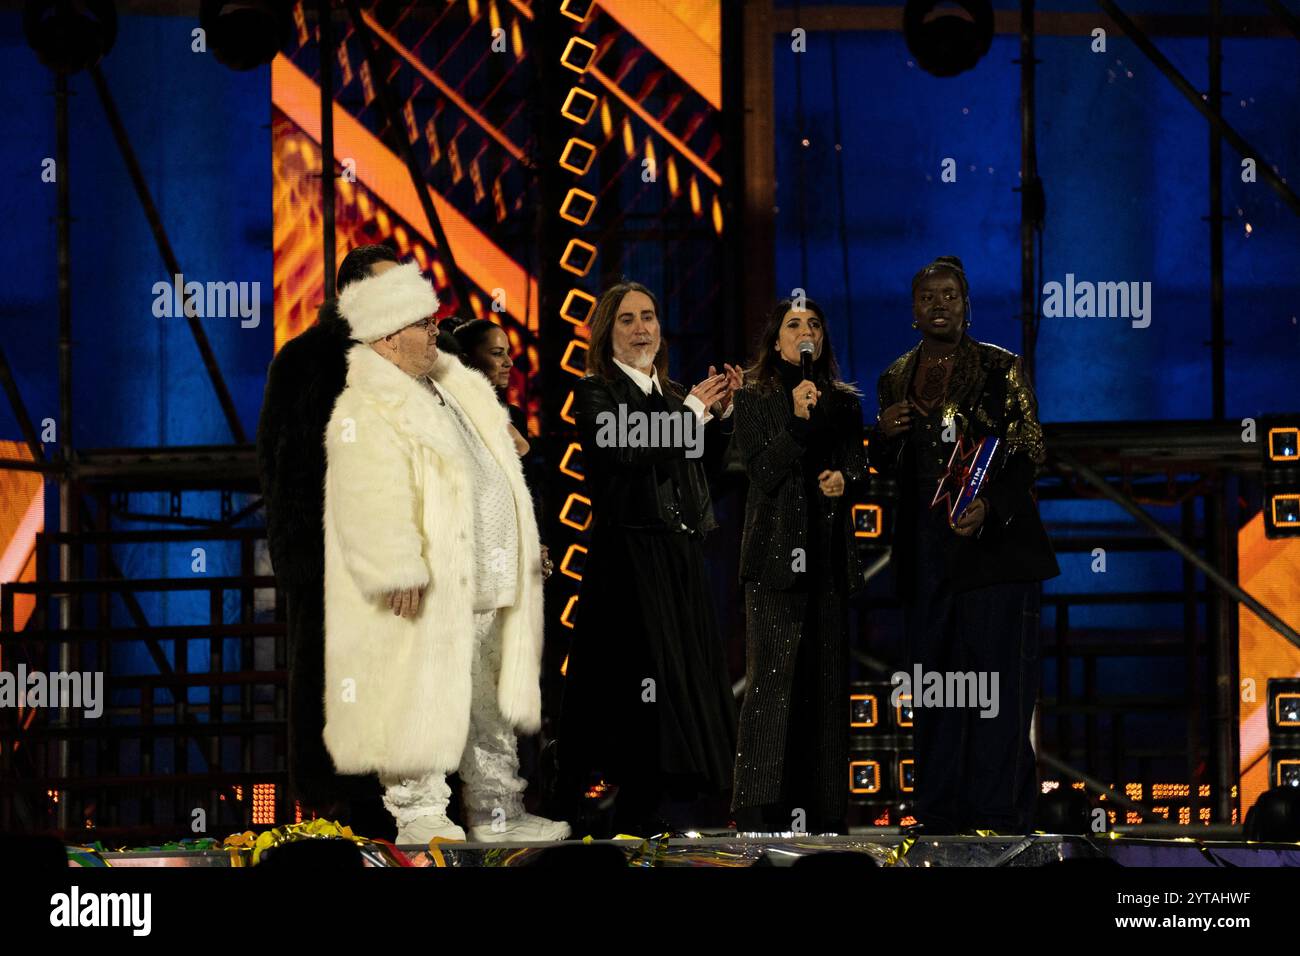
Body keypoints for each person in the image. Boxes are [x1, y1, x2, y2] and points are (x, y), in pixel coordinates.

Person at [321, 259, 569, 844]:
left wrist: (522, 544)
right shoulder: (368, 404)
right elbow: (366, 491)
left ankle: (497, 810)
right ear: (388, 336)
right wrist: (396, 565)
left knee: (487, 701)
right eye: (423, 323)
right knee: (417, 689)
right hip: (428, 583)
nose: (437, 331)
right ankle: (418, 811)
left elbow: (498, 470)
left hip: (485, 576)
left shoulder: (451, 387)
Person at [868, 255, 1059, 834]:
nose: (939, 305)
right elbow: (889, 469)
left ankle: (999, 821)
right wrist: (882, 438)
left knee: (997, 693)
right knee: (934, 693)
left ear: (966, 305)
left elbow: (1031, 451)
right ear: (913, 310)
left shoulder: (1001, 368)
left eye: (950, 295)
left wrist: (990, 506)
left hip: (995, 556)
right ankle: (939, 817)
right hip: (927, 560)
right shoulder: (894, 377)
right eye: (928, 297)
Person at [558, 280, 740, 836]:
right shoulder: (596, 393)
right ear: (607, 333)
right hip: (628, 561)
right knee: (633, 687)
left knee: (677, 688)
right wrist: (691, 413)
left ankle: (656, 811)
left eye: (649, 317)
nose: (642, 328)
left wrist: (721, 418)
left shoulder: (676, 394)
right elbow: (629, 451)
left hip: (678, 557)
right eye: (627, 319)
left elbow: (706, 475)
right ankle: (603, 814)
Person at [255, 243, 398, 836]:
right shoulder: (304, 361)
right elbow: (279, 468)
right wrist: (302, 564)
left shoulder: (413, 358)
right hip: (331, 563)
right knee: (335, 694)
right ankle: (346, 814)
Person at [730, 297, 868, 835]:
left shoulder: (844, 402)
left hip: (828, 559)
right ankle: (760, 810)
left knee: (826, 687)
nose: (804, 330)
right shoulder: (755, 397)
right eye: (793, 324)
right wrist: (796, 421)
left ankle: (826, 809)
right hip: (774, 561)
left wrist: (844, 481)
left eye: (813, 324)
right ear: (776, 340)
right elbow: (762, 472)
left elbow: (859, 469)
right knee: (771, 685)